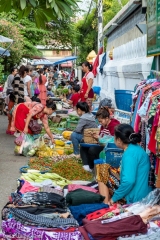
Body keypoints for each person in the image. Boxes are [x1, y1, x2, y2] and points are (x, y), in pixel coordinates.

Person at [98, 124, 152, 205]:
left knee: (101, 171)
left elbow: (129, 181)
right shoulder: (135, 147)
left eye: (114, 137)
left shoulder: (130, 154)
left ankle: (107, 204)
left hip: (136, 198)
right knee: (105, 168)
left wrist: (114, 198)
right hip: (141, 192)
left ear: (119, 140)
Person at [80, 107, 120, 172]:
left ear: (107, 118)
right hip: (101, 144)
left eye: (101, 121)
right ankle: (87, 166)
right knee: (83, 146)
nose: (100, 123)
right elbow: (101, 137)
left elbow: (113, 141)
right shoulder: (103, 126)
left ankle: (94, 168)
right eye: (99, 122)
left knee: (92, 150)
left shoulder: (114, 126)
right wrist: (97, 137)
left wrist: (99, 139)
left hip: (108, 148)